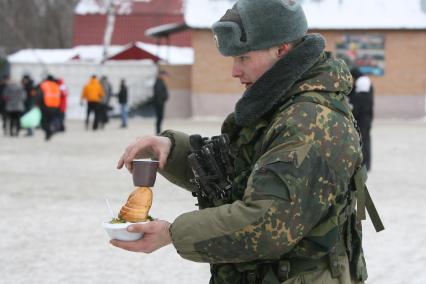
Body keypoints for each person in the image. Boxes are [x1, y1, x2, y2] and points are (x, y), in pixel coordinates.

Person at [112, 1, 383, 283]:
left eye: (243, 58)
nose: (234, 71)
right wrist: (172, 149)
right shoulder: (279, 106)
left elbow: (267, 224)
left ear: (281, 50)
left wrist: (172, 233)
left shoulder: (309, 121)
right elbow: (237, 175)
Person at [348, 68, 374, 171]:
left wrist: (352, 112)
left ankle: (364, 164)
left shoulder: (363, 84)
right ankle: (365, 164)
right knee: (365, 140)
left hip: (363, 119)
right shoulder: (366, 84)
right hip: (367, 117)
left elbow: (359, 104)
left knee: (364, 141)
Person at [38, 75, 61, 141]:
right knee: (50, 121)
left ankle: (48, 132)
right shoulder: (56, 86)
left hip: (45, 106)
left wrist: (38, 104)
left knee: (44, 122)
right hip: (55, 107)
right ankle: (48, 133)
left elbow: (39, 95)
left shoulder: (44, 85)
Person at [152, 70, 169, 134]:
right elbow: (158, 93)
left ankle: (158, 130)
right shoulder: (158, 82)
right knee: (159, 117)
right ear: (161, 75)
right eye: (164, 75)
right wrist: (161, 101)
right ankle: (158, 131)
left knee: (160, 117)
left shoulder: (160, 81)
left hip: (160, 102)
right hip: (159, 103)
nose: (165, 77)